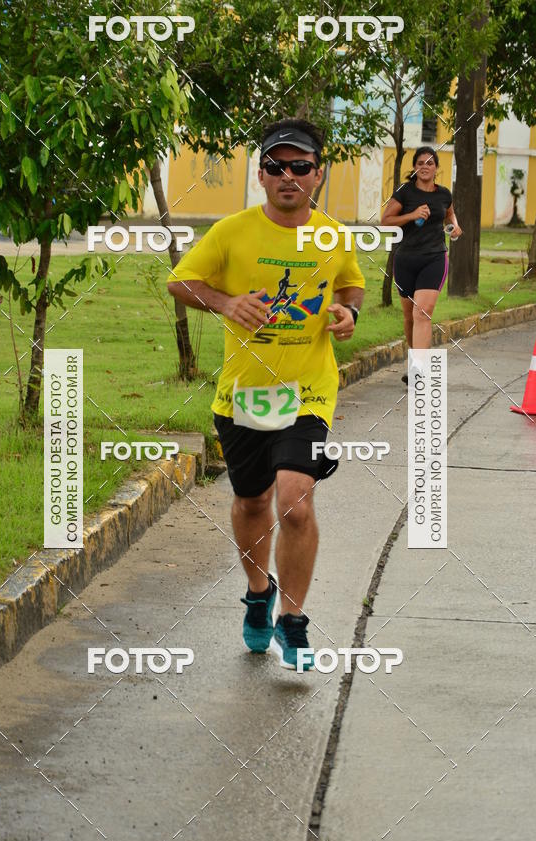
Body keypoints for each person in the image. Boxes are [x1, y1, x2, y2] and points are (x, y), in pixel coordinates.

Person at [166, 118, 365, 669]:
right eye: (276, 166)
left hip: (309, 392)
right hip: (244, 396)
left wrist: (349, 312)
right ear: (261, 175)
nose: (288, 176)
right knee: (252, 501)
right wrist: (225, 303)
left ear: (317, 175)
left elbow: (351, 285)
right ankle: (259, 593)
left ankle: (293, 623)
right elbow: (180, 283)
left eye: (300, 167)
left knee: (295, 502)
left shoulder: (333, 237)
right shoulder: (231, 232)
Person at [380, 147, 462, 383]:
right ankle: (415, 358)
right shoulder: (405, 193)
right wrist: (411, 214)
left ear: (436, 168)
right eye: (420, 163)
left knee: (422, 313)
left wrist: (454, 226)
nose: (425, 166)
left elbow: (449, 215)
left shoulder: (444, 194)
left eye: (429, 163)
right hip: (405, 259)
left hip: (434, 258)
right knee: (409, 317)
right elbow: (386, 222)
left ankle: (419, 369)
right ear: (415, 167)